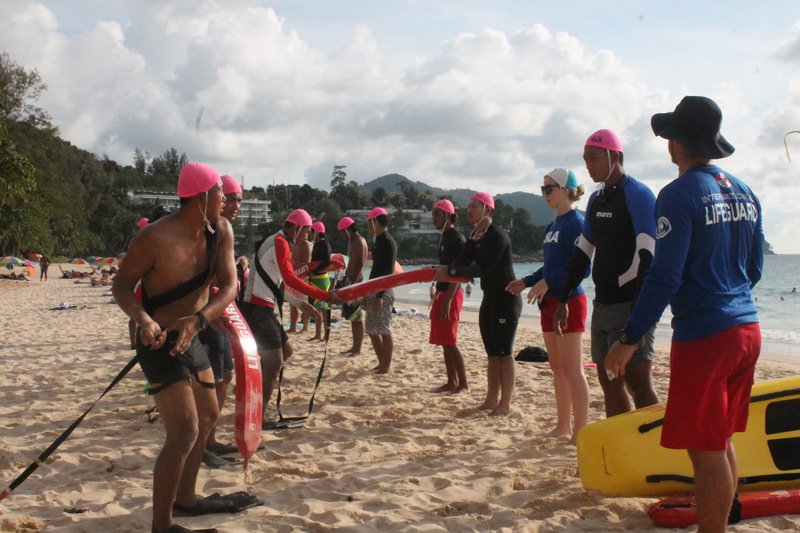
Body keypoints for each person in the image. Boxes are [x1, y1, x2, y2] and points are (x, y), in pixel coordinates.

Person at [606, 96, 763, 533]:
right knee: (720, 439)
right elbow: (754, 269)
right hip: (747, 328)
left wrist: (630, 336)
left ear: (678, 142)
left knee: (705, 448)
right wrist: (728, 296)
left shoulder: (677, 195)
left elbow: (663, 277)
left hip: (706, 336)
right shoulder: (746, 192)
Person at [112, 162, 237, 533]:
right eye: (219, 192)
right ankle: (161, 524)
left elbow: (229, 286)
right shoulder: (154, 238)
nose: (225, 199)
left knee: (209, 415)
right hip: (158, 340)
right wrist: (141, 317)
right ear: (202, 197)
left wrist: (199, 320)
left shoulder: (221, 231)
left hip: (192, 333)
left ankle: (186, 498)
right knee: (183, 429)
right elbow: (121, 285)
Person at [553, 129, 660, 417]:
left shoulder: (638, 195)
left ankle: (656, 451)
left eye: (594, 158)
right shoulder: (597, 200)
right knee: (610, 382)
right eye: (586, 159)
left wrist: (638, 319)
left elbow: (647, 258)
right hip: (603, 305)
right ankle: (625, 451)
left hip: (630, 303)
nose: (589, 165)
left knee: (638, 382)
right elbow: (582, 253)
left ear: (615, 156)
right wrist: (563, 299)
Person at [506, 169, 590, 442]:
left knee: (573, 369)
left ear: (566, 190)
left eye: (549, 189)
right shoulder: (552, 226)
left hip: (569, 300)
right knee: (557, 366)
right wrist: (528, 281)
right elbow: (551, 266)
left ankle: (580, 430)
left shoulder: (577, 223)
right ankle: (563, 425)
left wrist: (548, 281)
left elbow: (582, 268)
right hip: (548, 302)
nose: (544, 194)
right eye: (543, 189)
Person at [241, 208, 343, 428]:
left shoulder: (281, 241)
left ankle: (251, 383)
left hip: (264, 306)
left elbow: (277, 283)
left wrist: (302, 304)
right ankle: (259, 415)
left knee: (286, 351)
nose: (306, 237)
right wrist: (325, 296)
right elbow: (289, 278)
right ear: (296, 228)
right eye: (306, 232)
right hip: (257, 307)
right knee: (274, 362)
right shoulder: (280, 242)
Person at [436, 192, 521, 416]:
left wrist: (451, 271)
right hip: (490, 298)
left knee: (504, 353)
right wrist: (448, 268)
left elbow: (483, 268)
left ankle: (505, 403)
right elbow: (464, 260)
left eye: (474, 206)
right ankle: (491, 399)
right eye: (468, 206)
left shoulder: (497, 236)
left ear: (488, 210)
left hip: (506, 299)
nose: (469, 210)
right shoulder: (476, 234)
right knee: (492, 354)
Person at [202, 174, 242, 461]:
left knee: (225, 375)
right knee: (214, 379)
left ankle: (210, 439)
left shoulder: (223, 230)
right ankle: (205, 443)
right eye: (230, 199)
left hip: (220, 313)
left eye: (239, 200)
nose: (235, 205)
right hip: (208, 316)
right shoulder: (211, 230)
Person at [429, 199, 468, 394]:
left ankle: (463, 384)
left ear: (447, 215)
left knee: (450, 340)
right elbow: (444, 269)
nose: (433, 217)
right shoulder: (444, 237)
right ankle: (451, 381)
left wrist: (448, 301)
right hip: (442, 292)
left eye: (437, 214)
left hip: (451, 294)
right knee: (443, 340)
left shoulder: (456, 239)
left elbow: (458, 274)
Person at [364, 207, 397, 374]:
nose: (368, 227)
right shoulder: (377, 241)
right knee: (371, 328)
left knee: (384, 329)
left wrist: (379, 296)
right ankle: (381, 361)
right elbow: (375, 269)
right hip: (374, 289)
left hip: (383, 292)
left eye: (370, 223)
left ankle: (386, 366)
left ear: (375, 222)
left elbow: (387, 271)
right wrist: (366, 291)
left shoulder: (387, 242)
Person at [337, 216, 368, 356]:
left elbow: (361, 263)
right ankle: (354, 347)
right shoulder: (353, 241)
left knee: (357, 316)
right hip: (350, 279)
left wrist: (354, 283)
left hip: (355, 280)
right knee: (352, 317)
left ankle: (357, 348)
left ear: (348, 229)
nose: (342, 236)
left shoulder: (359, 241)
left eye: (342, 233)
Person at [286, 223, 317, 333]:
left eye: (308, 231)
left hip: (302, 278)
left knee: (303, 302)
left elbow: (307, 265)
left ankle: (305, 327)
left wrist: (294, 262)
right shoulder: (296, 245)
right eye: (305, 231)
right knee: (293, 304)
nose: (307, 234)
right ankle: (293, 326)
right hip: (294, 277)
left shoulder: (307, 246)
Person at [308, 221, 332, 341]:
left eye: (312, 232)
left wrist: (315, 271)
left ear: (316, 233)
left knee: (323, 308)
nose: (310, 235)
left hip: (322, 279)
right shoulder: (316, 245)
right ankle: (318, 334)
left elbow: (327, 261)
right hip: (314, 279)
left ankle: (326, 335)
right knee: (317, 308)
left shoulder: (325, 245)